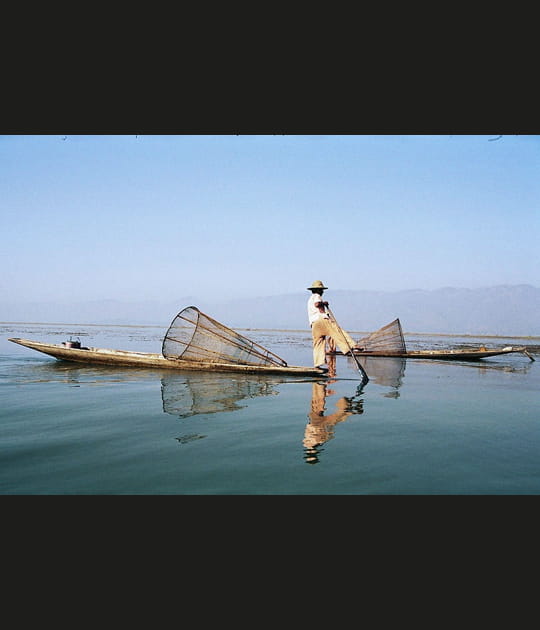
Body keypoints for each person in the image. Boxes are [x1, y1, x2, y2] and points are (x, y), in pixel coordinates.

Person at [306, 280, 357, 368]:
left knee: (318, 343)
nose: (322, 292)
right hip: (321, 319)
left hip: (314, 323)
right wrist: (324, 303)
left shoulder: (309, 300)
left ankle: (317, 364)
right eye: (321, 290)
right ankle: (351, 346)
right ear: (318, 290)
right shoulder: (317, 296)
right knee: (337, 331)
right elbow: (317, 304)